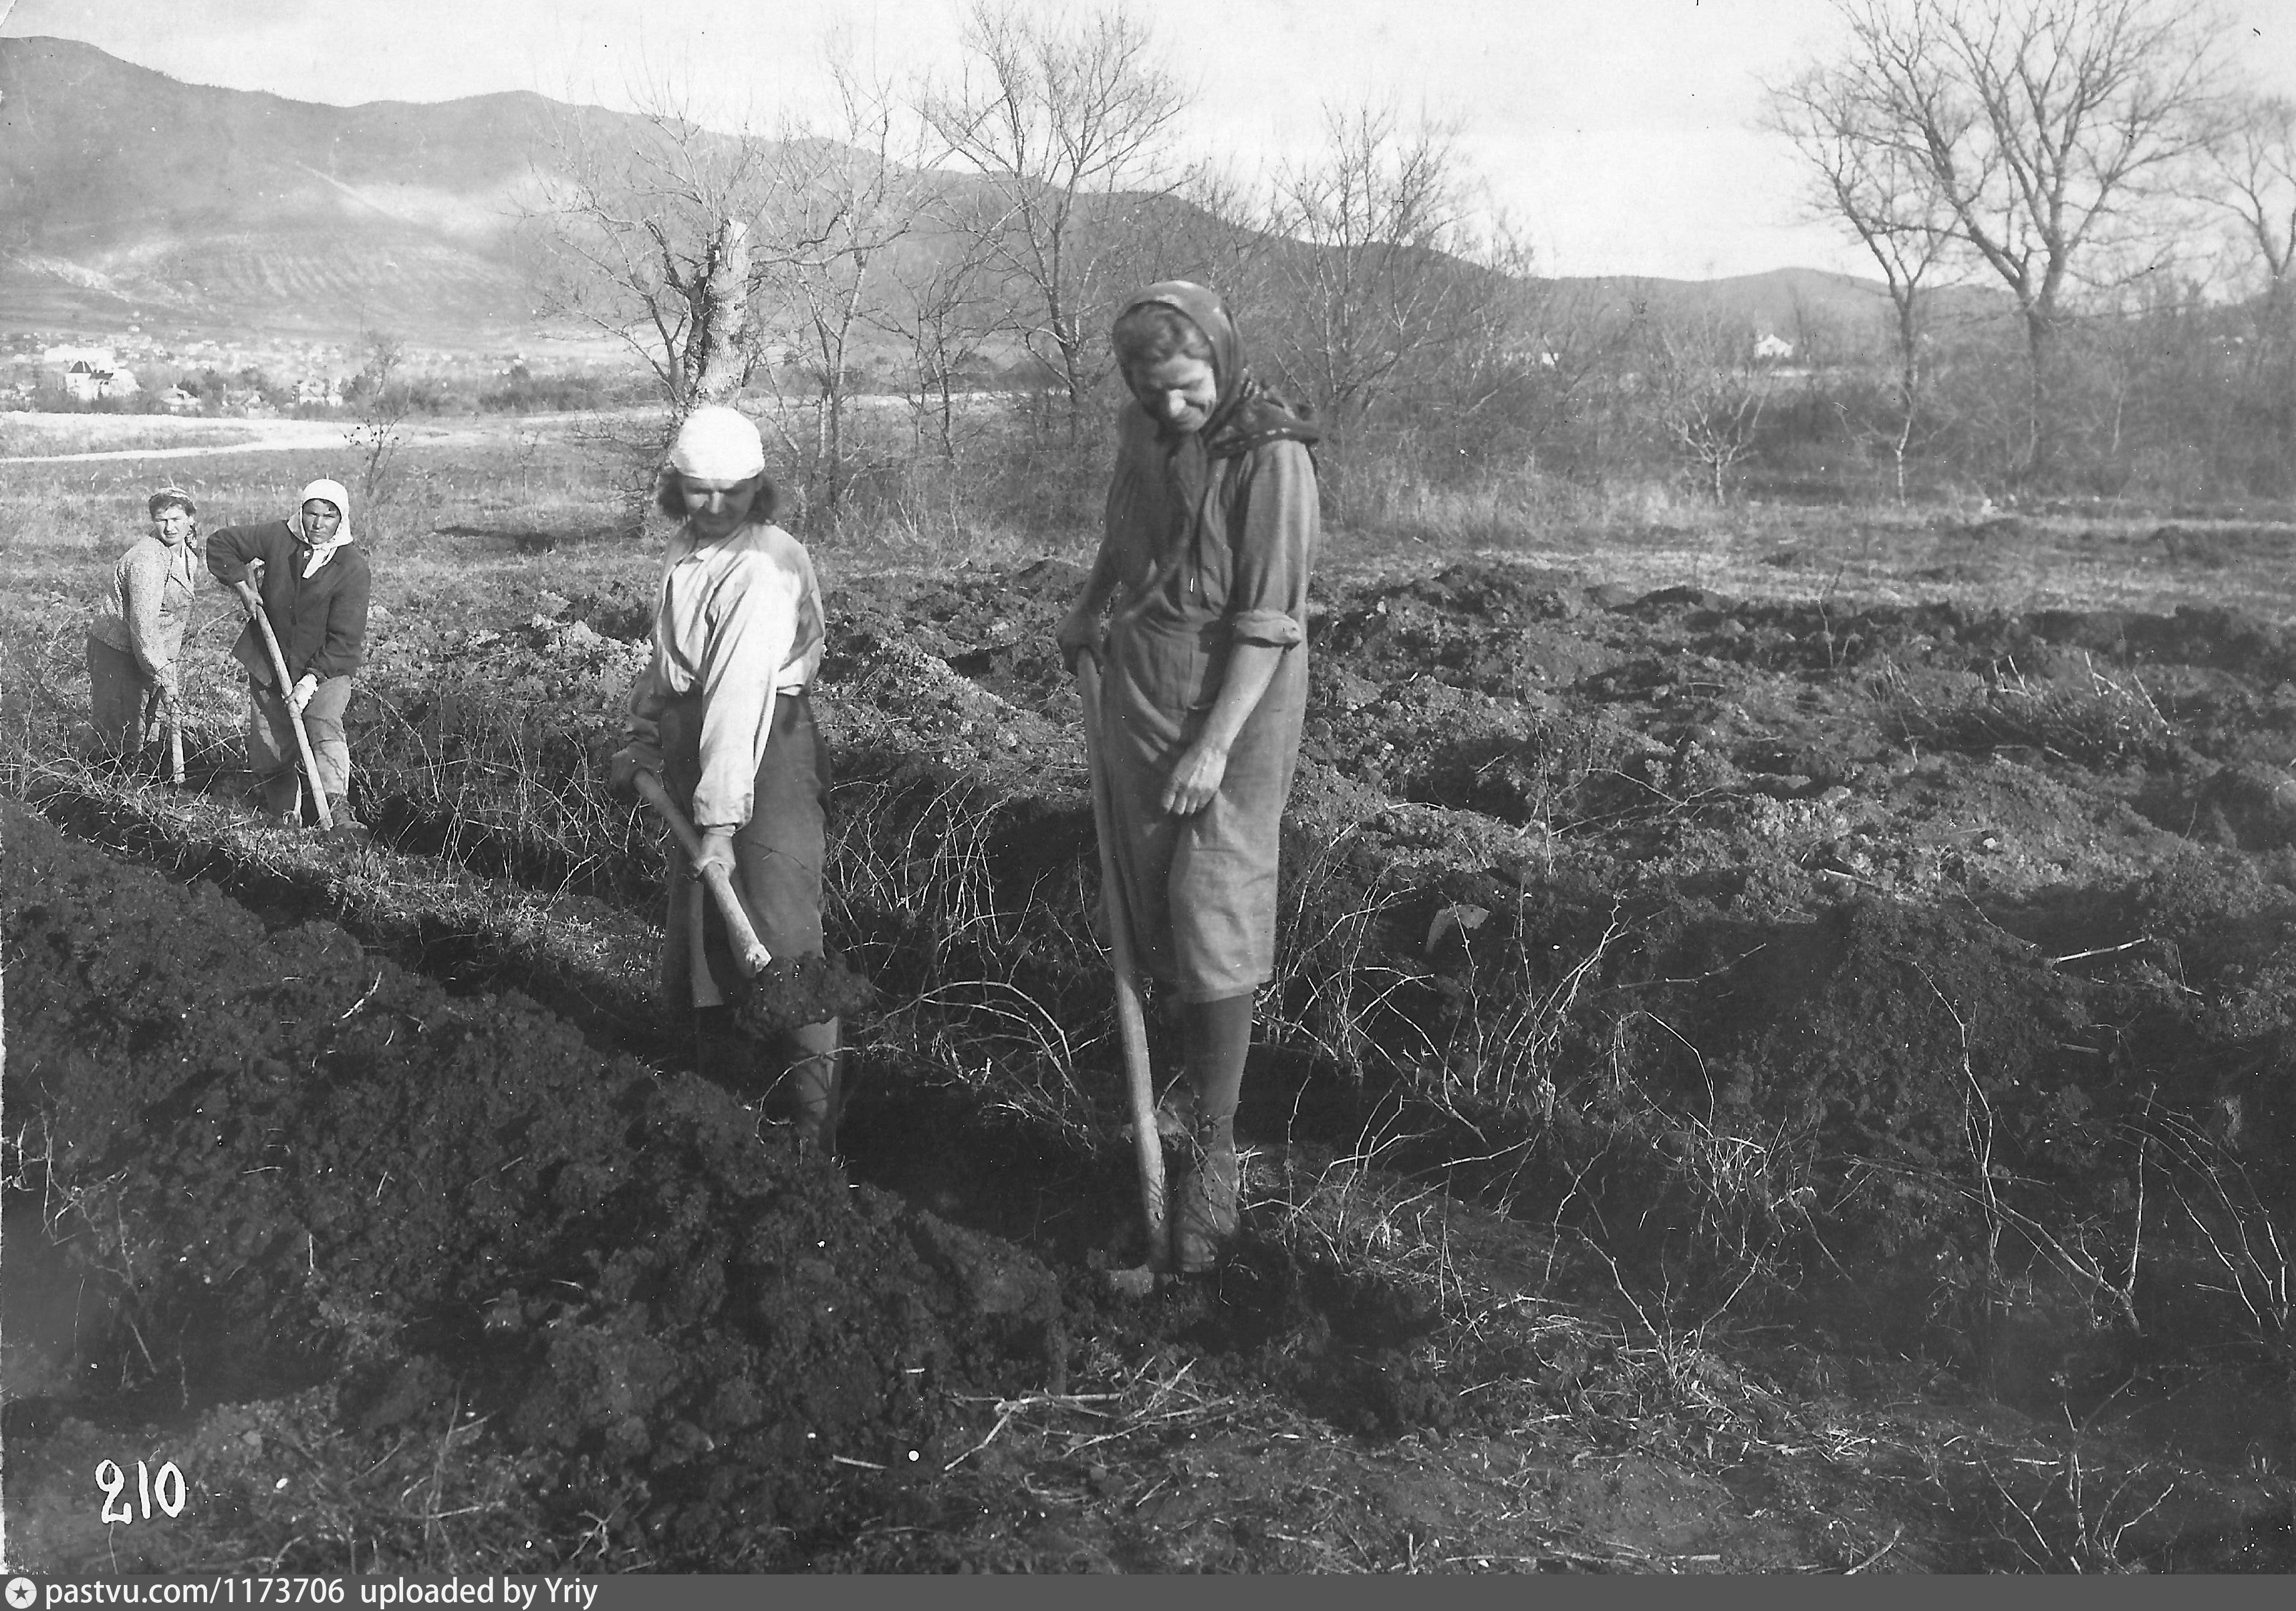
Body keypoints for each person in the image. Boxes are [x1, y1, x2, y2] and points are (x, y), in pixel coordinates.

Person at [1057, 281, 1321, 1274]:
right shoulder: (1141, 431)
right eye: (1150, 389)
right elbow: (1122, 536)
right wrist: (1089, 606)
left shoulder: (1273, 455)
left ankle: (1215, 1164)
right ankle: (1169, 1132)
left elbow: (1269, 616)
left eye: (1187, 385)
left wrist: (1213, 746)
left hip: (1236, 709)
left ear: (1222, 356)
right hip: (1145, 689)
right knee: (1157, 897)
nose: (1172, 408)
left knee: (1215, 901)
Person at [609, 406, 846, 1154]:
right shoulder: (693, 549)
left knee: (777, 934)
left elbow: (739, 692)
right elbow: (676, 668)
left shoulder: (761, 567)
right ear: (675, 486)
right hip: (701, 747)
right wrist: (643, 731)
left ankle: (810, 1130)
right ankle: (725, 1109)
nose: (714, 507)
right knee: (708, 939)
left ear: (759, 486)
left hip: (763, 751)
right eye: (698, 490)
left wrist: (716, 823)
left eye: (732, 493)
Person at [204, 479, 372, 835]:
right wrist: (243, 586)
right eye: (312, 513)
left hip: (327, 666)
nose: (318, 524)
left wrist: (309, 682)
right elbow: (221, 545)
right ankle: (286, 816)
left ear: (341, 520)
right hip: (271, 659)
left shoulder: (352, 567)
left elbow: (345, 640)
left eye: (329, 516)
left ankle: (336, 811)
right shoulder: (280, 538)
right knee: (271, 738)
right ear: (301, 512)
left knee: (322, 722)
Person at [87, 487, 204, 765]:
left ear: (190, 520)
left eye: (177, 519)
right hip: (120, 651)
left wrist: (163, 667)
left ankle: (140, 778)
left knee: (146, 723)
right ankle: (102, 790)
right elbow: (143, 625)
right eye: (162, 520)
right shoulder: (147, 560)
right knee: (118, 728)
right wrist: (163, 674)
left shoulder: (187, 553)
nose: (170, 527)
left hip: (152, 651)